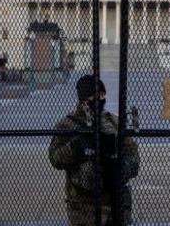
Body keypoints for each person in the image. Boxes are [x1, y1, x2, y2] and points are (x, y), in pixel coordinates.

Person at [49, 75, 140, 226]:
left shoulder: (113, 121)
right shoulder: (67, 124)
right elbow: (55, 159)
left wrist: (123, 168)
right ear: (83, 98)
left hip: (115, 203)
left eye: (102, 95)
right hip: (84, 207)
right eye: (94, 95)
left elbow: (132, 153)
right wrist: (76, 146)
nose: (99, 99)